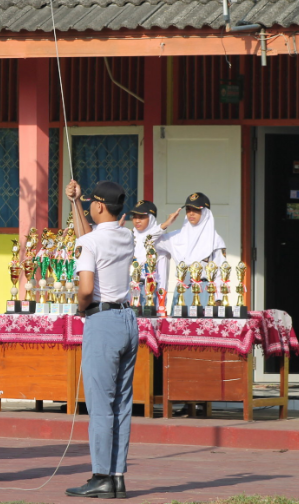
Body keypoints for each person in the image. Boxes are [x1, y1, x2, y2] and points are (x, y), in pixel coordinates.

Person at [65, 180, 137, 499]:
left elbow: (84, 288)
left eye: (91, 204)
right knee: (121, 403)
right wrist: (76, 203)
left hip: (102, 319)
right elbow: (89, 237)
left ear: (98, 206)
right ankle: (117, 476)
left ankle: (100, 475)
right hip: (127, 320)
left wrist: (81, 307)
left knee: (100, 404)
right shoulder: (126, 235)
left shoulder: (90, 243)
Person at [154, 192, 225, 305]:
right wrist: (166, 224)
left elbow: (220, 272)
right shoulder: (175, 237)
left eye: (196, 210)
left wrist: (218, 299)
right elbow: (148, 242)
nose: (191, 213)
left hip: (206, 293)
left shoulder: (215, 240)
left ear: (205, 212)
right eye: (188, 209)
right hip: (182, 292)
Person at [123, 200, 179, 298]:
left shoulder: (160, 242)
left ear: (151, 218)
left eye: (141, 217)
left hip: (151, 292)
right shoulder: (129, 237)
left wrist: (161, 305)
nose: (137, 221)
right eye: (134, 217)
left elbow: (162, 278)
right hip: (129, 290)